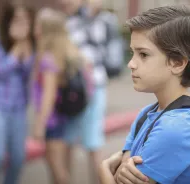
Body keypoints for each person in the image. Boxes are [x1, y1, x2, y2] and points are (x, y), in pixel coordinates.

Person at [103, 5, 190, 184]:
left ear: (177, 63)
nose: (131, 64)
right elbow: (123, 166)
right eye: (132, 52)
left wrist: (104, 168)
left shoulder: (177, 128)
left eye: (143, 54)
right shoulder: (148, 113)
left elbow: (119, 170)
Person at [32, 8, 92, 184]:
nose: (34, 28)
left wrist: (40, 124)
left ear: (44, 30)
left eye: (37, 25)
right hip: (61, 119)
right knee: (59, 171)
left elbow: (48, 96)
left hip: (52, 122)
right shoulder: (62, 53)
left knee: (59, 172)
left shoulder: (48, 59)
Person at [56, 0, 111, 183]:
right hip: (75, 88)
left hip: (90, 88)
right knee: (68, 141)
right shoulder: (68, 21)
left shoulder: (94, 19)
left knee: (93, 143)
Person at [0, 2, 35, 184]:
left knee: (18, 158)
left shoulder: (29, 42)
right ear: (8, 20)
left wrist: (25, 50)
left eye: (26, 21)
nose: (22, 25)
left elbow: (27, 73)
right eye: (17, 20)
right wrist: (17, 48)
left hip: (19, 107)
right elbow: (1, 70)